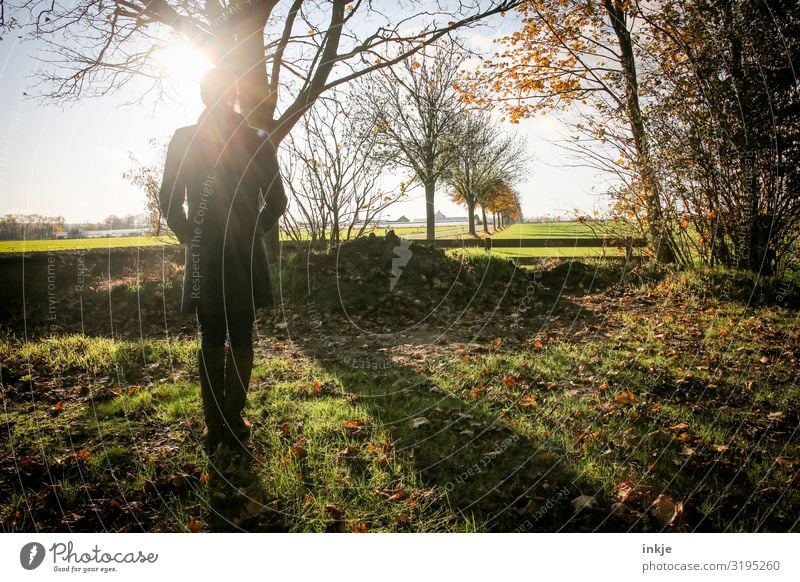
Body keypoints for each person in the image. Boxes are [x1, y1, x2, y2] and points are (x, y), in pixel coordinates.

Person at [158, 67, 287, 455]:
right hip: (244, 254)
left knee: (211, 333)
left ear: (202, 96)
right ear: (234, 95)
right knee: (242, 333)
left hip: (205, 254)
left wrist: (191, 237)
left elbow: (168, 200)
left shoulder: (184, 139)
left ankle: (215, 425)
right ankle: (232, 421)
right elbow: (278, 202)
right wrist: (252, 231)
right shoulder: (255, 138)